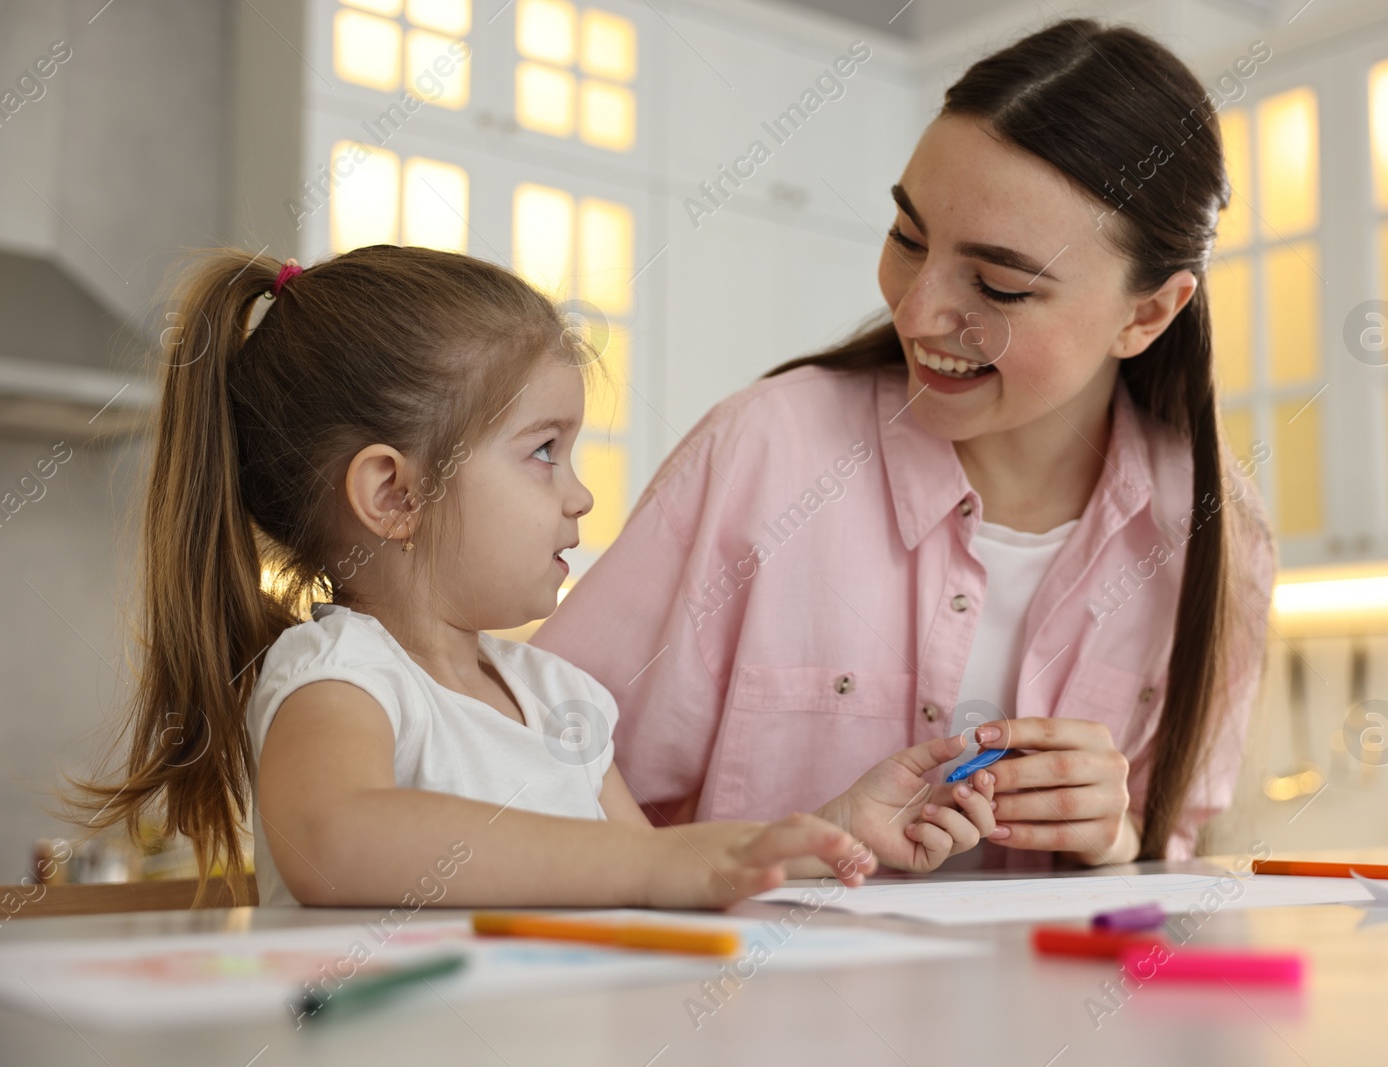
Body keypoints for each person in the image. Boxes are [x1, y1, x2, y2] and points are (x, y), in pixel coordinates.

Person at [532, 18, 1276, 867]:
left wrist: (1119, 834)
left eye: (999, 285)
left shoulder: (1217, 531)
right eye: (908, 239)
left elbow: (1175, 841)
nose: (916, 312)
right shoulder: (765, 455)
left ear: (1148, 313)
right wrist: (782, 849)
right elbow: (522, 768)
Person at [70, 246, 998, 907]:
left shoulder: (561, 698)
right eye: (543, 451)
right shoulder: (340, 677)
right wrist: (652, 868)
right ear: (395, 493)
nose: (581, 496)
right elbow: (333, 840)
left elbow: (656, 871)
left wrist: (827, 831)